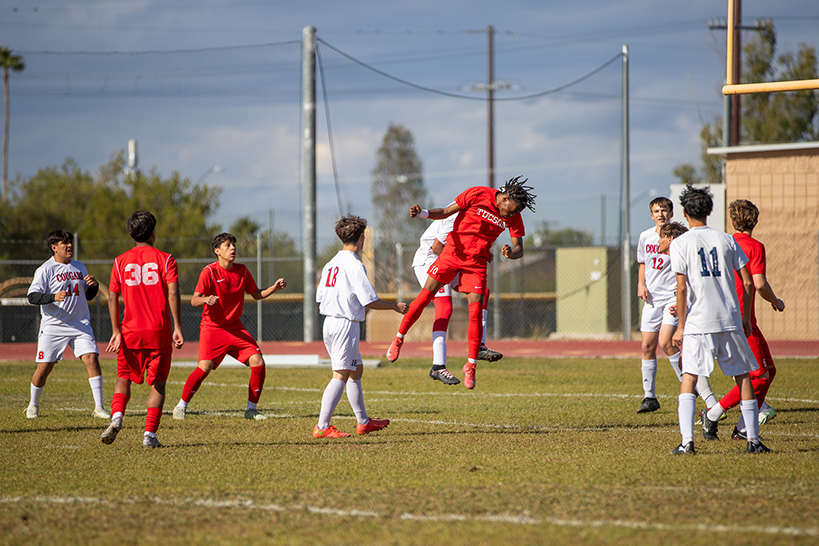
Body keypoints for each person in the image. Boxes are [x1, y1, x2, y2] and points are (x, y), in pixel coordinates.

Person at [386, 176, 536, 390]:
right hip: (440, 255)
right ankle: (402, 340)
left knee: (480, 299)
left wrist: (511, 253)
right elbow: (440, 236)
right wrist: (423, 214)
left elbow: (519, 248)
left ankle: (472, 362)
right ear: (504, 199)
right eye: (511, 210)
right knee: (437, 302)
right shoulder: (473, 197)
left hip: (475, 264)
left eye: (516, 213)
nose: (512, 215)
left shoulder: (513, 216)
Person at [669, 184, 770, 455]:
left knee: (689, 377)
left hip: (698, 322)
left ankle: (687, 442)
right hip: (729, 319)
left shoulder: (679, 243)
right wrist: (746, 316)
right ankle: (754, 442)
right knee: (743, 377)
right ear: (710, 211)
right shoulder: (727, 240)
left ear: (684, 212)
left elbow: (681, 288)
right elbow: (748, 282)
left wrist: (680, 327)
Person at [173, 232, 286, 421]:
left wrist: (274, 288)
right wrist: (205, 299)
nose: (233, 248)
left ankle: (251, 410)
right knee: (205, 366)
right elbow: (194, 300)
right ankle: (180, 406)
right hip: (212, 327)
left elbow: (256, 294)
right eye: (227, 245)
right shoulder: (208, 272)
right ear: (217, 251)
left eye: (233, 245)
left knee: (258, 361)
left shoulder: (242, 270)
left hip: (235, 327)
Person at [313, 215, 408, 438]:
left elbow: (320, 294)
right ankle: (322, 426)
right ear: (362, 238)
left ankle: (363, 422)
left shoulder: (331, 263)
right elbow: (369, 301)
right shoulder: (355, 265)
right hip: (345, 324)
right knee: (340, 374)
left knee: (356, 369)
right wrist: (395, 306)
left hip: (330, 321)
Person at [700, 199, 785, 439]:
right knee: (759, 375)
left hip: (734, 318)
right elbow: (758, 283)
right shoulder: (754, 246)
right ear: (755, 221)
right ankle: (714, 414)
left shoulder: (721, 243)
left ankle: (743, 426)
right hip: (741, 321)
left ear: (732, 220)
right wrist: (775, 301)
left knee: (770, 370)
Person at [100, 211, 185, 448]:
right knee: (158, 384)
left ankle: (117, 416)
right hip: (158, 331)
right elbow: (173, 293)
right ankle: (149, 435)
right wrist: (177, 327)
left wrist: (116, 331)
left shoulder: (120, 261)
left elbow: (112, 298)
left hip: (129, 331)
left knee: (123, 377)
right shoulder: (166, 259)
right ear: (153, 232)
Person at [25, 229, 109, 420]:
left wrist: (93, 287)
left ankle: (99, 407)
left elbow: (86, 296)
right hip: (54, 326)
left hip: (80, 324)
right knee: (44, 367)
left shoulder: (79, 267)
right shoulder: (45, 269)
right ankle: (33, 405)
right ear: (54, 248)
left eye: (70, 242)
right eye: (65, 243)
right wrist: (52, 297)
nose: (70, 246)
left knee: (92, 358)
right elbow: (32, 296)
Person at [411, 213, 503, 386]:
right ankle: (437, 366)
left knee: (483, 292)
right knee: (444, 306)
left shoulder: (481, 216)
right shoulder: (456, 215)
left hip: (451, 260)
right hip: (430, 259)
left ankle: (480, 346)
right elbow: (437, 247)